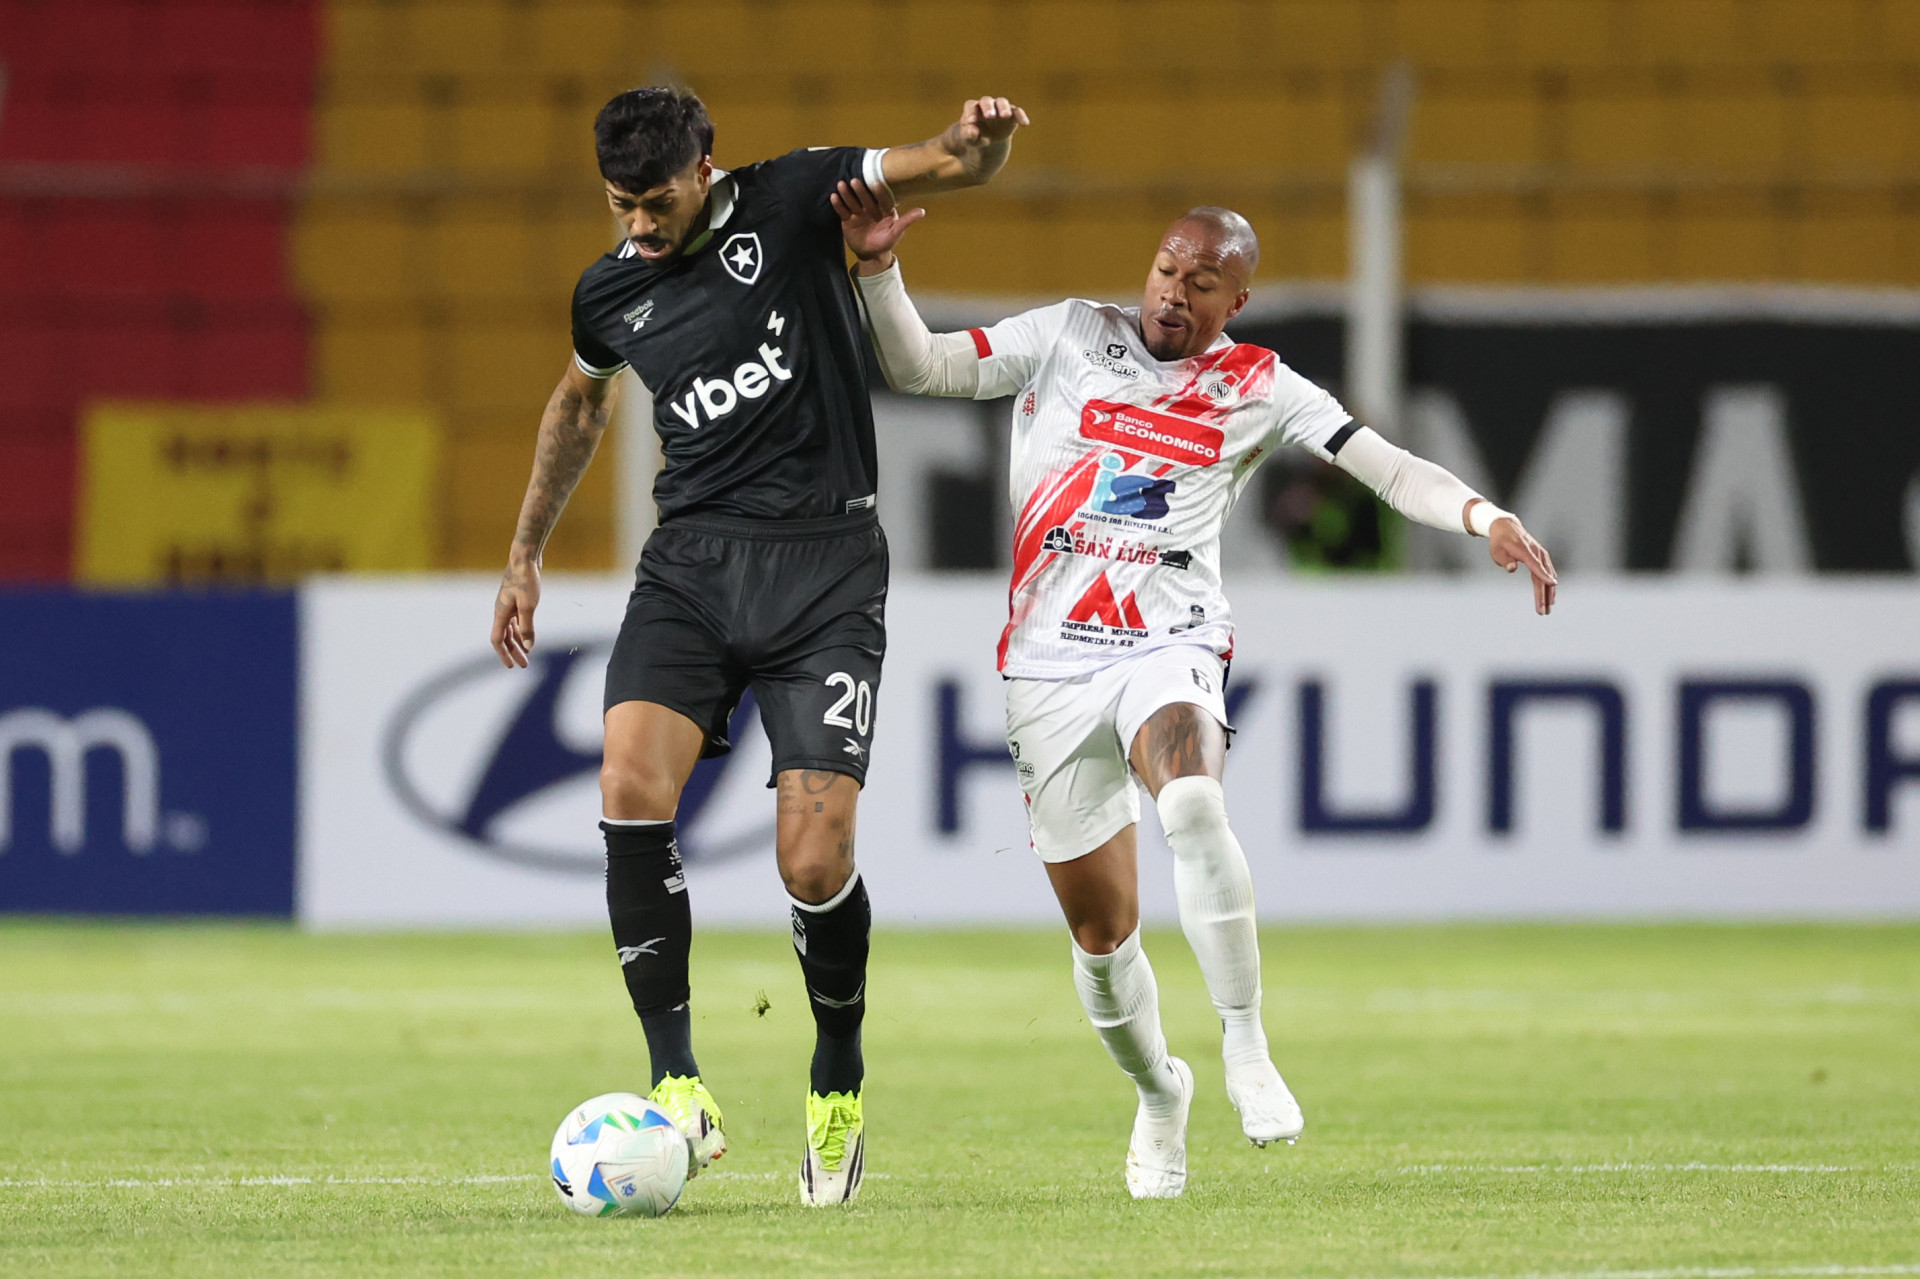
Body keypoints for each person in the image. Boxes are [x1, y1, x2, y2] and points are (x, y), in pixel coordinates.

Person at [834, 181, 1556, 1199]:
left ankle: (1246, 1046)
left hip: (1164, 644)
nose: (1174, 293)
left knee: (1193, 798)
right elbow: (919, 364)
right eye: (1167, 270)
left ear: (1236, 304)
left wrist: (1484, 516)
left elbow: (1385, 467)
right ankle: (1160, 1091)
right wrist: (877, 269)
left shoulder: (1258, 385)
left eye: (1202, 282)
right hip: (1046, 665)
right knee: (1100, 939)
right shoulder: (1070, 335)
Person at [489, 87, 1030, 1206]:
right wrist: (524, 550)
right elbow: (580, 404)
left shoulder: (789, 199)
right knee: (629, 786)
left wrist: (977, 150)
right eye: (620, 204)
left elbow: (933, 164)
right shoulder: (611, 290)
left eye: (657, 200)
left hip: (825, 566)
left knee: (812, 862)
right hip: (691, 565)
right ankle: (675, 1076)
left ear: (707, 166)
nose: (639, 224)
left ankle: (836, 1082)